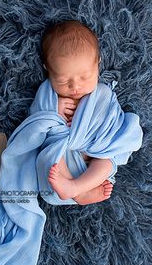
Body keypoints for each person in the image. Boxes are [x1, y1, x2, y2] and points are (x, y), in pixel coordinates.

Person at [41, 20, 115, 205]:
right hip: (65, 156)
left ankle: (77, 188)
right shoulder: (49, 95)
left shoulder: (102, 93)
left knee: (107, 162)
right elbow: (36, 121)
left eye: (85, 77)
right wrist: (53, 111)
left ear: (97, 63)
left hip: (96, 150)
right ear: (47, 70)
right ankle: (76, 191)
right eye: (63, 80)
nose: (75, 86)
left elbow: (112, 121)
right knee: (51, 157)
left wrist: (89, 123)